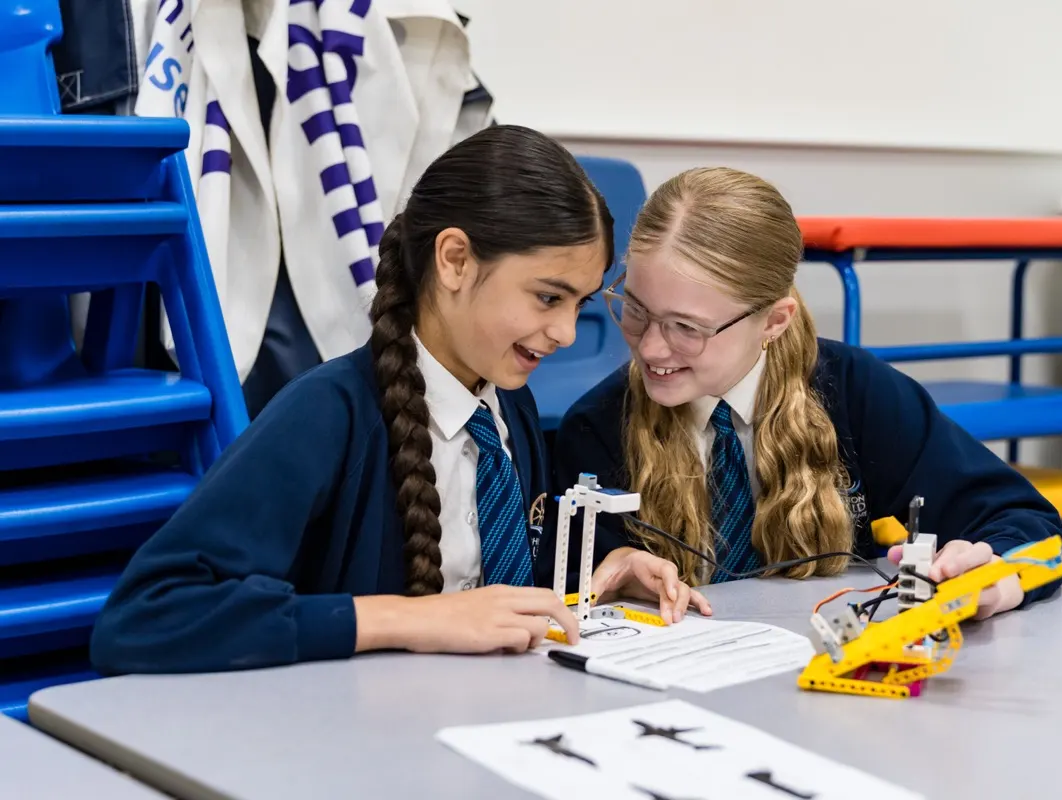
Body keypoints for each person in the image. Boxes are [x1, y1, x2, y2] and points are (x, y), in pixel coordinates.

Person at [89, 125, 694, 675]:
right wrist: (409, 620)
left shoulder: (511, 409)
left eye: (579, 304)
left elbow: (492, 588)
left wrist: (592, 584)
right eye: (546, 298)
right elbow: (144, 616)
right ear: (455, 260)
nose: (566, 333)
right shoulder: (327, 415)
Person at [555, 166, 1062, 620]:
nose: (649, 347)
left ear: (773, 322)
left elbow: (1027, 526)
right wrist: (610, 569)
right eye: (635, 308)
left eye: (686, 327)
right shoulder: (598, 428)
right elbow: (560, 581)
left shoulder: (851, 391)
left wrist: (996, 578)